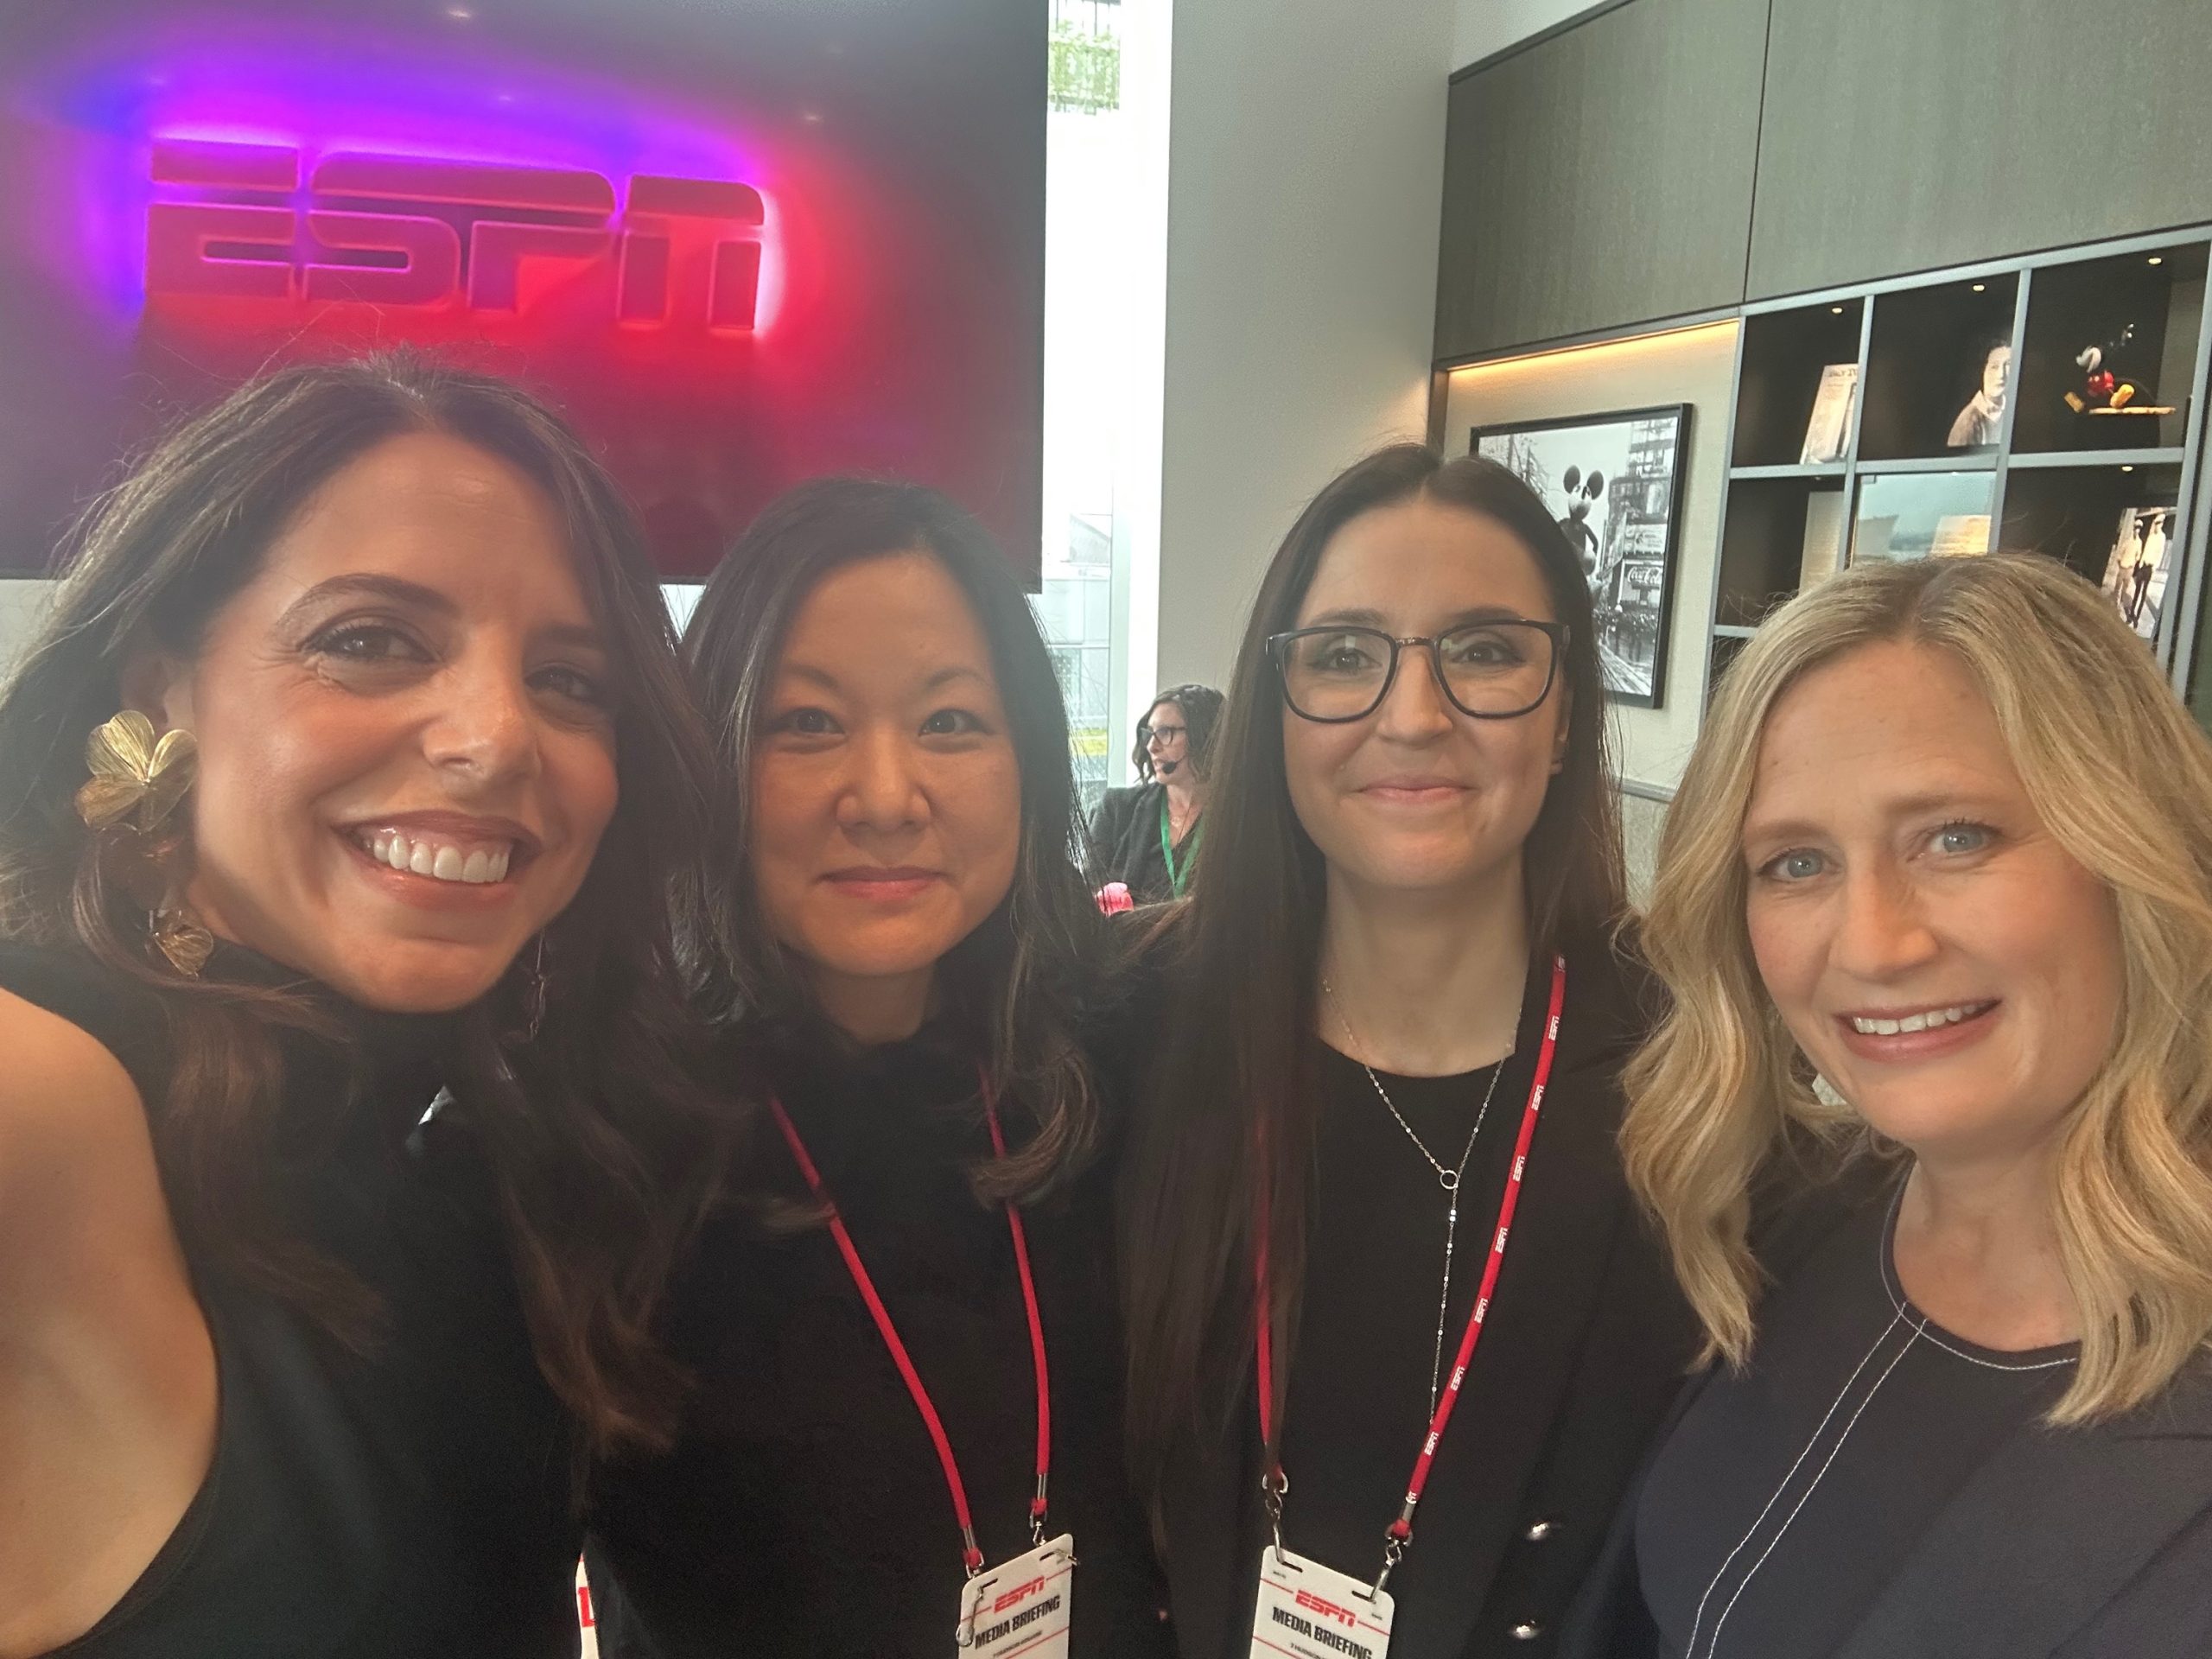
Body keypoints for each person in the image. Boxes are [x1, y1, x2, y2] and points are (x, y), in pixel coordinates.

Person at [0, 353, 727, 1656]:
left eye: (570, 679)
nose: (497, 736)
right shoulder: (49, 1084)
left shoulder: (473, 1143)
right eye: (371, 640)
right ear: (161, 685)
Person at [1566, 553, 2212, 1657]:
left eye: (1955, 837)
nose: (1872, 943)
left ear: (2132, 850)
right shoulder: (1785, 1220)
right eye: (1796, 862)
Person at [1118, 445, 1699, 1659]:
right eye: (1343, 656)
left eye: (1485, 650)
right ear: (1274, 716)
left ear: (1565, 718)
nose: (1416, 713)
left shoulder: (1695, 1088)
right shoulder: (1130, 1038)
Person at [586, 479, 1174, 1656]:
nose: (889, 797)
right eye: (806, 724)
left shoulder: (1111, 1054)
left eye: (952, 721)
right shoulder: (609, 1141)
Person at [1086, 683, 1224, 905]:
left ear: (1205, 735)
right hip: (1128, 938)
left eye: (1165, 733)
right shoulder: (1116, 810)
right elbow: (1086, 900)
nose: (1151, 746)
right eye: (1149, 734)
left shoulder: (1240, 817)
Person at [1945, 339, 2011, 448]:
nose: (2001, 375)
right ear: (1983, 371)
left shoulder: (2011, 410)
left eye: (2008, 365)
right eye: (1994, 367)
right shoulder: (1969, 423)